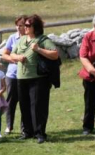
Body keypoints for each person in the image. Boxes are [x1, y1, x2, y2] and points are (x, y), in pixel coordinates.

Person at [10, 14, 59, 144]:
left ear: (35, 27)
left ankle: (40, 133)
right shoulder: (22, 39)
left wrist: (38, 49)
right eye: (24, 25)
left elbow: (55, 54)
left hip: (38, 79)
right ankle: (27, 132)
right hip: (21, 78)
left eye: (27, 25)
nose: (24, 27)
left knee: (38, 106)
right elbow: (12, 53)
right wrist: (17, 57)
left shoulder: (42, 39)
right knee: (24, 105)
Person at [79, 12, 95, 135]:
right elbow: (83, 56)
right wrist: (93, 71)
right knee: (90, 101)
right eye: (94, 26)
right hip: (91, 74)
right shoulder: (88, 37)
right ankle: (87, 127)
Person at [1, 15, 27, 135]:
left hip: (25, 75)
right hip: (12, 75)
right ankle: (9, 126)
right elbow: (4, 54)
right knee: (11, 101)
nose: (18, 28)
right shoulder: (12, 38)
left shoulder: (29, 38)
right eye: (17, 25)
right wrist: (13, 59)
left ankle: (24, 128)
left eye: (21, 25)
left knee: (24, 101)